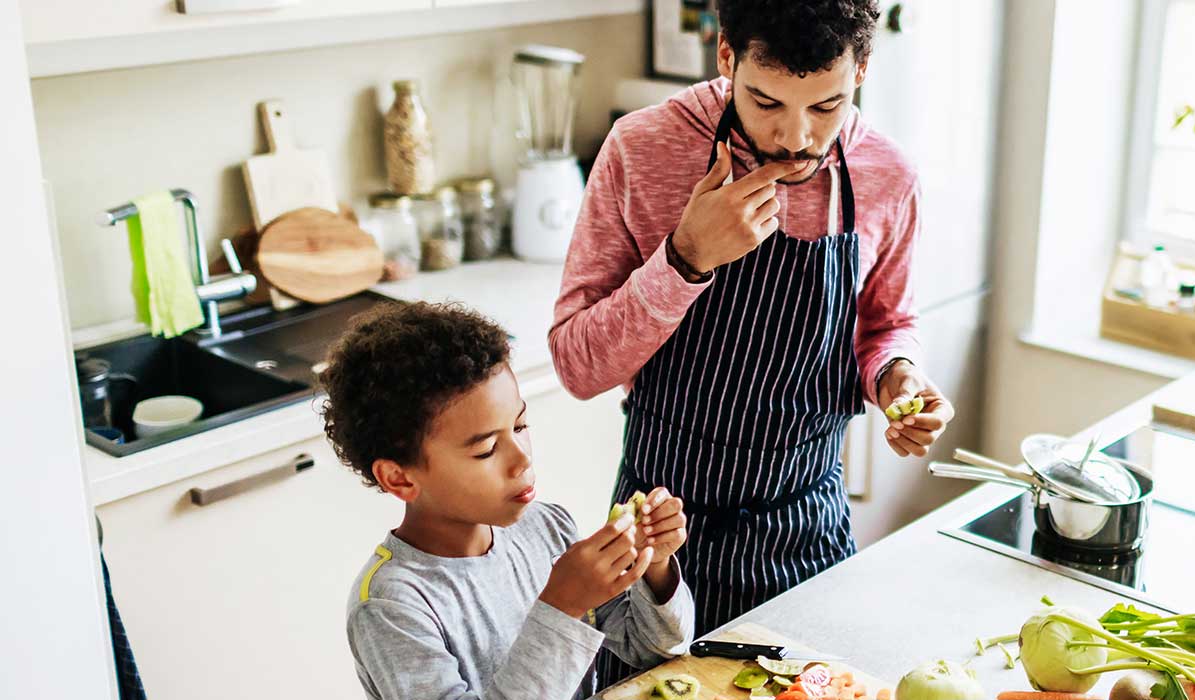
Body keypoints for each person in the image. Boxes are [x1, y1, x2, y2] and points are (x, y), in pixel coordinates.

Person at [550, 0, 957, 647]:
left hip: (806, 534)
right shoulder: (644, 149)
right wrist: (684, 259)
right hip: (658, 542)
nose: (796, 137)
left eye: (826, 106)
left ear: (862, 68)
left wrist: (897, 379)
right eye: (767, 104)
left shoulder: (888, 174)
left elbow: (886, 323)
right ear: (726, 58)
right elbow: (576, 366)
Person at [319, 302, 694, 699]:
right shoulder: (391, 606)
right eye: (485, 450)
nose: (522, 458)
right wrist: (562, 606)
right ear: (400, 478)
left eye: (520, 425)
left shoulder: (546, 529)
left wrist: (655, 568)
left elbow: (654, 648)